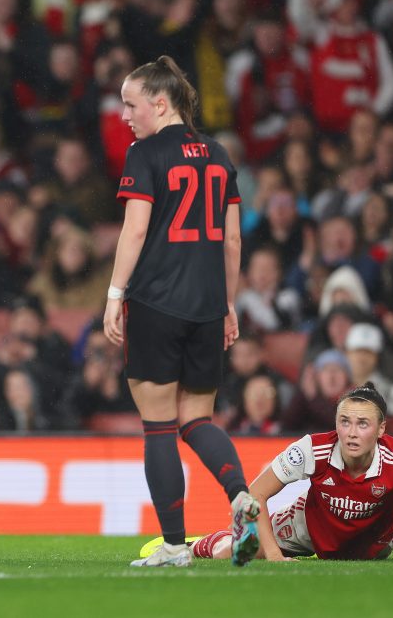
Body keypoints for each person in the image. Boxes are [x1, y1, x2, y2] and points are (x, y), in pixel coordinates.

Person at [102, 55, 260, 568]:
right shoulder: (219, 154)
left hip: (155, 302)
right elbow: (233, 238)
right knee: (198, 420)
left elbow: (135, 229)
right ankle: (239, 494)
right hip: (207, 306)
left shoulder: (145, 153)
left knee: (159, 427)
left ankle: (174, 546)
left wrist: (114, 293)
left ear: (160, 102)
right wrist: (229, 303)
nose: (125, 115)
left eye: (131, 104)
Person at [190, 384, 393, 562]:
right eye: (344, 422)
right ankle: (196, 546)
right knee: (245, 549)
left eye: (362, 424)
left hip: (374, 542)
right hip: (309, 529)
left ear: (381, 429)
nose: (351, 433)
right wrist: (275, 556)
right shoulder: (311, 449)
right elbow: (255, 493)